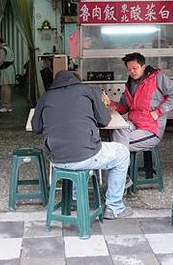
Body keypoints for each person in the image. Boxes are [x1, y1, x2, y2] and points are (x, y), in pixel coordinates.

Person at [31, 70, 132, 220]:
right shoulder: (87, 91)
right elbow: (104, 120)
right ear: (77, 80)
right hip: (86, 154)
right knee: (122, 152)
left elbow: (36, 127)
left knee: (81, 152)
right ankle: (114, 207)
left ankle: (76, 199)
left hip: (57, 159)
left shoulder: (46, 97)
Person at [103, 52, 173, 153]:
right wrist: (110, 103)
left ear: (143, 66)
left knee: (118, 145)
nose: (132, 71)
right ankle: (121, 166)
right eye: (129, 69)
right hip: (133, 123)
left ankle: (121, 167)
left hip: (151, 129)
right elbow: (123, 108)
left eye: (135, 68)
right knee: (118, 131)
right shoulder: (130, 84)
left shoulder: (158, 78)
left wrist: (158, 111)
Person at [0, 36, 16, 113]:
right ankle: (8, 105)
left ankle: (6, 106)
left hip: (5, 70)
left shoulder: (2, 50)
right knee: (8, 88)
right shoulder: (8, 48)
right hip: (10, 69)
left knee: (4, 88)